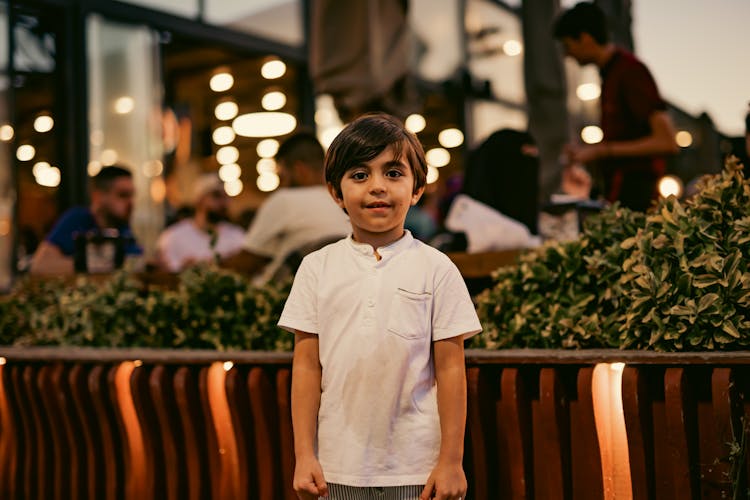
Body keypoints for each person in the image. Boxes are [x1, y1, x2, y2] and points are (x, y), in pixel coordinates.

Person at [278, 113, 481, 500]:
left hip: (416, 468)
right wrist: (304, 454)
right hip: (335, 466)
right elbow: (305, 366)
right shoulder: (316, 268)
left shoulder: (437, 268)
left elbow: (452, 368)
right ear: (336, 193)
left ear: (417, 188)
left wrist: (451, 461)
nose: (377, 187)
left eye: (392, 173)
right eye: (359, 175)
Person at [554, 2, 678, 211]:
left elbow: (667, 142)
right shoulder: (611, 74)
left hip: (639, 199)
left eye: (568, 45)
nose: (567, 55)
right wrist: (590, 151)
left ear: (585, 38)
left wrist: (602, 151)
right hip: (623, 196)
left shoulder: (630, 71)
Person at [222, 131, 351, 283]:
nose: (280, 185)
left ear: (299, 169)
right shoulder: (345, 201)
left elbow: (246, 261)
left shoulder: (284, 200)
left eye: (282, 176)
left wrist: (214, 265)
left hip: (291, 298)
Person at [29, 165, 141, 275]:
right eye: (123, 195)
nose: (131, 203)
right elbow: (39, 266)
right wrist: (93, 265)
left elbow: (137, 263)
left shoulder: (122, 227)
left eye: (132, 195)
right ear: (98, 196)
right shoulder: (77, 219)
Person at [155, 174, 245, 272]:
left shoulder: (238, 236)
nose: (224, 202)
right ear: (199, 199)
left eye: (227, 196)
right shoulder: (173, 236)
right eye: (216, 196)